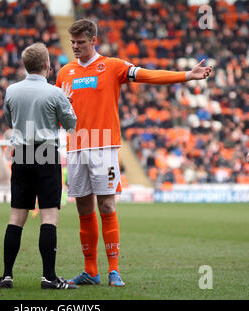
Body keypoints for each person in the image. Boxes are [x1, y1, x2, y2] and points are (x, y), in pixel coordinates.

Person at [55, 19, 213, 287]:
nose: (75, 47)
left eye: (80, 42)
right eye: (72, 43)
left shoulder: (113, 66)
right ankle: (90, 271)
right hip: (76, 146)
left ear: (94, 40)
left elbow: (149, 75)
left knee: (106, 204)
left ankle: (113, 270)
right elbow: (60, 114)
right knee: (83, 207)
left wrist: (186, 75)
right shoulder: (64, 73)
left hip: (104, 145)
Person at [0, 42, 78, 289]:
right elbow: (70, 123)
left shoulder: (11, 90)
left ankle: (7, 275)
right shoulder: (55, 93)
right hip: (45, 153)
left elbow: (8, 118)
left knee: (16, 217)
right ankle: (48, 277)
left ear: (25, 65)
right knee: (49, 217)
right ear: (47, 65)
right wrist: (67, 103)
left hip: (21, 153)